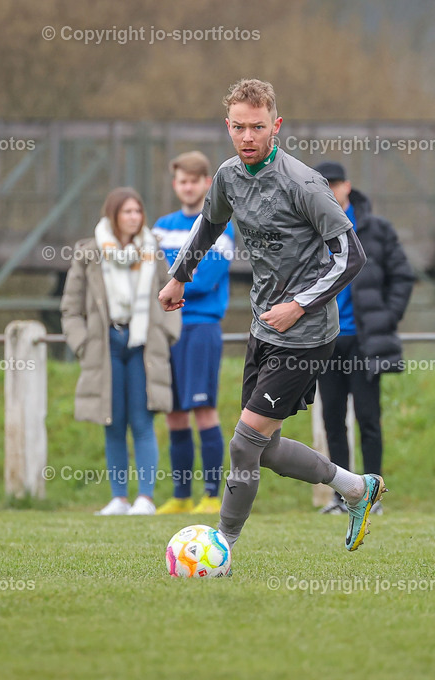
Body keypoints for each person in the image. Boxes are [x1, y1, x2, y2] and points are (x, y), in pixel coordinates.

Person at [158, 78, 385, 554]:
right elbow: (210, 222)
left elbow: (352, 256)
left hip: (307, 334)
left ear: (275, 126)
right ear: (228, 127)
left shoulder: (303, 183)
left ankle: (221, 547)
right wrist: (181, 276)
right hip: (264, 327)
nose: (247, 137)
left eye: (257, 127)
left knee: (243, 445)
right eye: (238, 127)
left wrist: (299, 304)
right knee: (263, 449)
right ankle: (358, 489)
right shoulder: (227, 176)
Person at [61, 187, 181, 516]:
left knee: (143, 422)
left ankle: (145, 498)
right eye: (127, 212)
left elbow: (171, 295)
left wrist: (166, 335)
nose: (134, 218)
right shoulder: (88, 252)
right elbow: (70, 309)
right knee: (111, 422)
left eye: (138, 212)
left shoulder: (153, 250)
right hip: (104, 346)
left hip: (143, 346)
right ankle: (118, 498)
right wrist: (82, 343)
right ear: (113, 215)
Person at [311, 161, 415, 516]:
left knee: (369, 419)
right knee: (333, 422)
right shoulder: (310, 228)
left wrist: (386, 317)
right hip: (326, 341)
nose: (331, 190)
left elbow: (403, 276)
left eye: (335, 184)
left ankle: (373, 497)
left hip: (365, 343)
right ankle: (343, 498)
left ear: (347, 187)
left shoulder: (376, 229)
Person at [152, 151, 234, 515]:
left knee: (204, 409)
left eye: (195, 181)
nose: (188, 187)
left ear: (206, 184)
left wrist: (172, 279)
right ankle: (182, 495)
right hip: (166, 329)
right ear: (175, 185)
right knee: (173, 412)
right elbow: (150, 275)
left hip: (201, 326)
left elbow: (204, 280)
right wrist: (172, 278)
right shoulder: (160, 226)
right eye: (182, 181)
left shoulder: (221, 225)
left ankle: (213, 493)